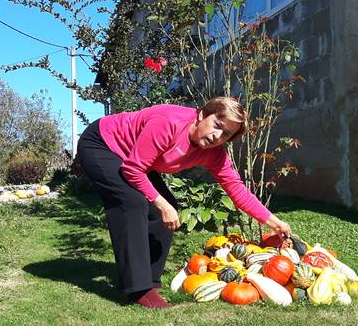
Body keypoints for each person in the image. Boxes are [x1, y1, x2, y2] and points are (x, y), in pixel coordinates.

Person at [76, 96, 292, 309]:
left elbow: (236, 190)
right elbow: (132, 170)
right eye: (217, 125)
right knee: (132, 203)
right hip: (102, 144)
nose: (217, 136)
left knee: (163, 210)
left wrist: (275, 223)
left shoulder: (214, 153)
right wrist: (162, 205)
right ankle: (138, 290)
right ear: (202, 115)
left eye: (226, 134)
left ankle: (149, 281)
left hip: (133, 159)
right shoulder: (168, 123)